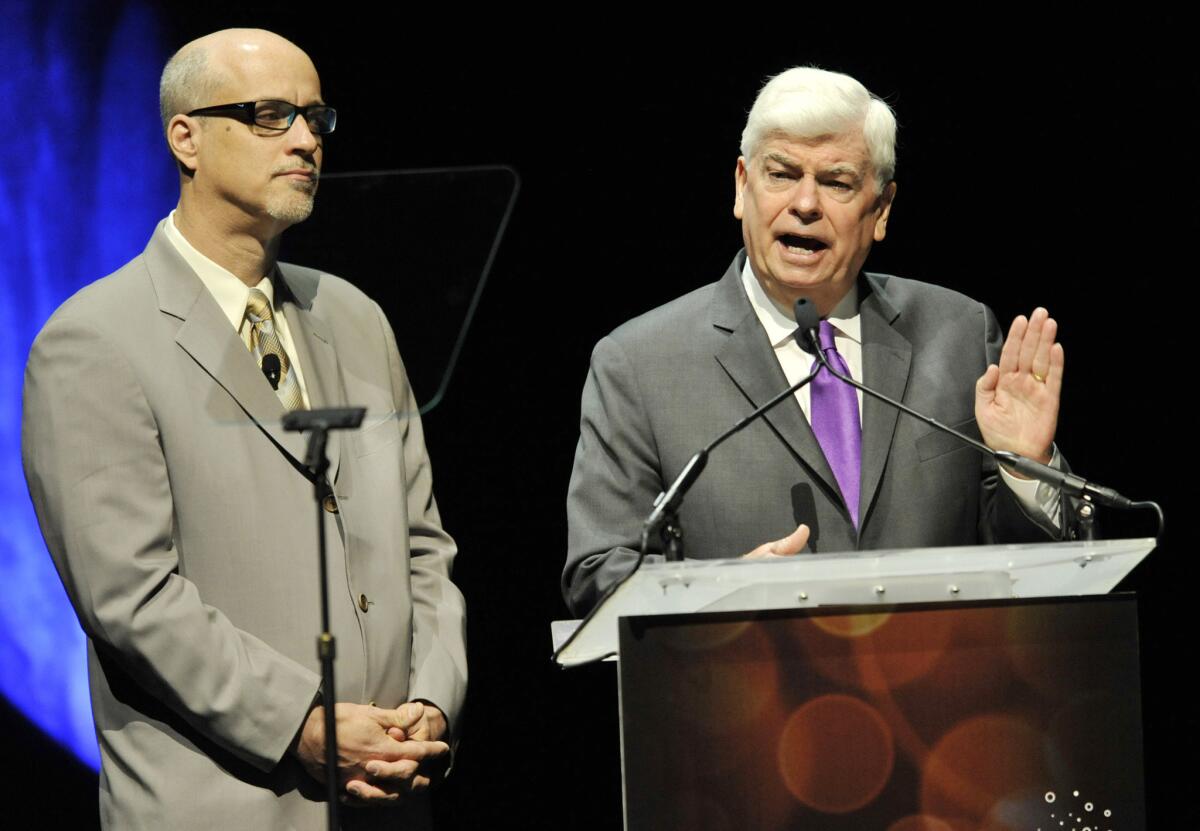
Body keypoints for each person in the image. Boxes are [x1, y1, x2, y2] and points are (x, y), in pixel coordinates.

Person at [21, 29, 465, 830]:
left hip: (387, 797)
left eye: (315, 118)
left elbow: (423, 548)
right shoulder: (94, 340)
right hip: (222, 805)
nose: (305, 140)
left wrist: (430, 699)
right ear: (184, 137)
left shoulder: (355, 318)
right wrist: (305, 721)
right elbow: (134, 598)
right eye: (269, 115)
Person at [563, 66, 1071, 616]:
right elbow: (599, 574)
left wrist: (1027, 469)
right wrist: (725, 595)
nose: (805, 204)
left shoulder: (958, 335)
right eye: (781, 174)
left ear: (881, 210)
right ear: (741, 186)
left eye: (836, 183)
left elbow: (1030, 568)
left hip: (940, 689)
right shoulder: (640, 364)